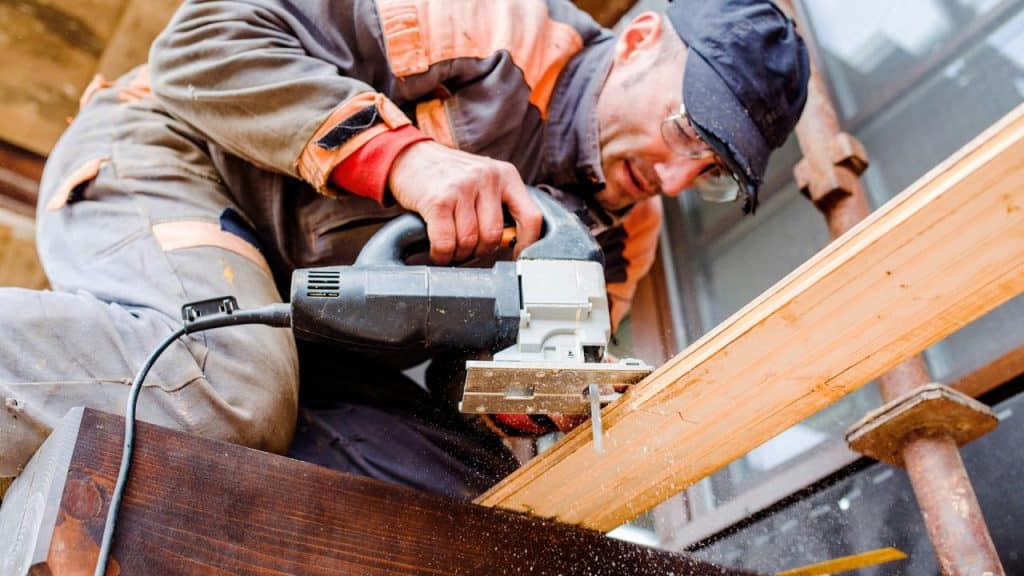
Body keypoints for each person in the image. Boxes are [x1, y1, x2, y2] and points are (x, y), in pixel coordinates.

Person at [0, 0, 808, 500]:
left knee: (466, 502)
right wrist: (405, 159)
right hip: (167, 154)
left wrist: (521, 396)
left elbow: (489, 381)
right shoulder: (488, 23)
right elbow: (200, 48)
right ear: (637, 39)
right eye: (682, 132)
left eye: (706, 174)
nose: (671, 178)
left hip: (304, 325)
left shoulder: (623, 233)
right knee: (227, 381)